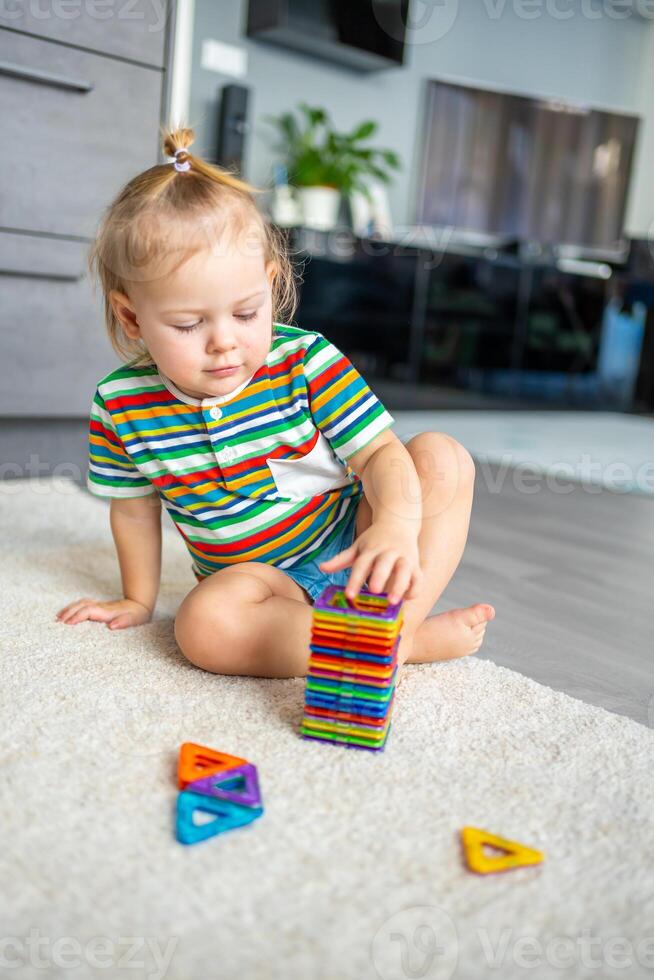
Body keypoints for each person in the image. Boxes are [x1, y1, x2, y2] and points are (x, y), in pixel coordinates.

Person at [55, 126, 495, 678]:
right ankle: (404, 644)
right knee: (201, 627)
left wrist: (396, 528)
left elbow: (381, 454)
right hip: (264, 585)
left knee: (441, 457)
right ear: (131, 318)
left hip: (359, 542)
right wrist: (138, 601)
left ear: (270, 283)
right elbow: (135, 509)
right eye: (189, 324)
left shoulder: (305, 361)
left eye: (245, 314)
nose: (224, 342)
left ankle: (391, 632)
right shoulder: (120, 404)